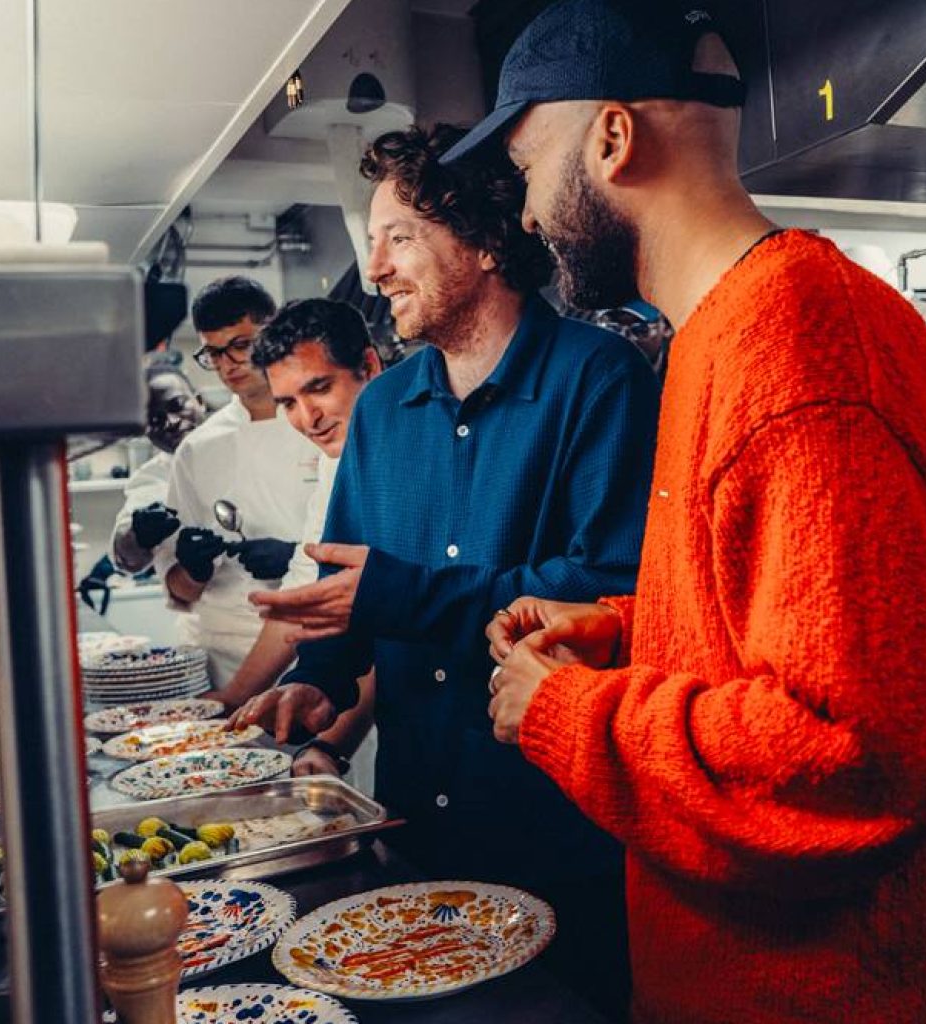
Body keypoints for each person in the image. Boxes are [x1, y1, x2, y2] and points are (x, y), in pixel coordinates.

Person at [443, 2, 926, 1022]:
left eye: (526, 171)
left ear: (610, 138)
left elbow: (857, 758)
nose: (522, 216)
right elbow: (773, 636)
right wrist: (619, 631)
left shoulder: (794, 340)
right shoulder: (713, 335)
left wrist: (566, 712)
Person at [229, 123, 661, 1018]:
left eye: (401, 237)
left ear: (488, 241)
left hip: (554, 828)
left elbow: (612, 586)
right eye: (373, 241)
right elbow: (347, 589)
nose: (377, 268)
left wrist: (402, 594)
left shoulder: (600, 377)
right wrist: (318, 679)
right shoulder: (385, 408)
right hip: (415, 825)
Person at [214, 298, 381, 790]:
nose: (308, 418)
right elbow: (306, 599)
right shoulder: (335, 462)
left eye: (320, 388)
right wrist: (230, 701)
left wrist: (332, 745)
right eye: (287, 402)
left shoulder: (413, 456)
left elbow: (398, 628)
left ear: (368, 366)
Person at [154, 277, 318, 686]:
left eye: (241, 345)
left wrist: (296, 556)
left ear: (273, 328)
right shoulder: (198, 449)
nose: (228, 364)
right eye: (213, 352)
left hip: (316, 652)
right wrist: (194, 569)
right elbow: (179, 590)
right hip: (223, 662)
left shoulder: (321, 424)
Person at [111, 365, 207, 575]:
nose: (171, 422)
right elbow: (125, 558)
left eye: (177, 405)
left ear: (199, 401)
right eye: (154, 419)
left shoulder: (243, 443)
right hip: (204, 602)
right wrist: (138, 535)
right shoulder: (152, 478)